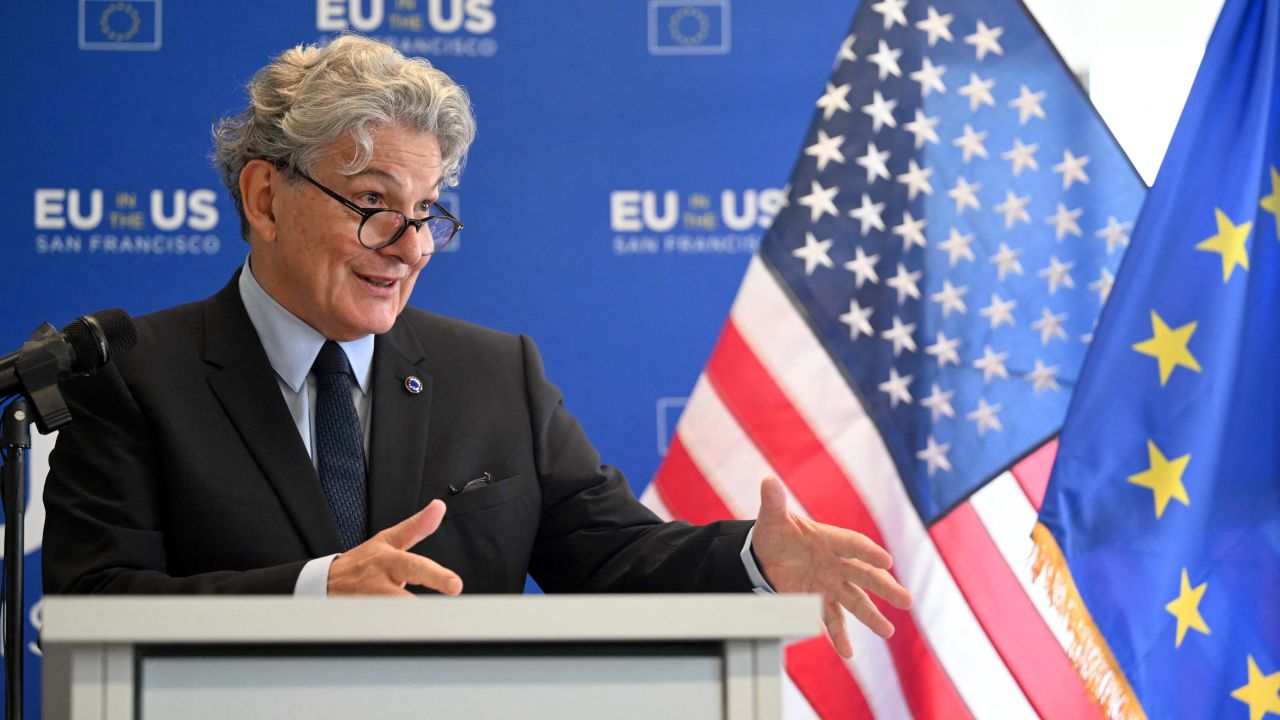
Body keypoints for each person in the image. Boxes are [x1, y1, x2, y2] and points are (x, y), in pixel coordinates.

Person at [42, 35, 910, 658]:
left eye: (426, 212)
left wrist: (752, 559)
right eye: (373, 203)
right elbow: (94, 602)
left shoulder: (497, 376)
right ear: (266, 199)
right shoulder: (132, 376)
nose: (410, 246)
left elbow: (615, 558)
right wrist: (315, 592)